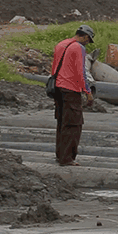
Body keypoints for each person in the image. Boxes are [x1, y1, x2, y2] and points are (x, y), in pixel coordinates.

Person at [51, 24, 95, 166]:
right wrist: (87, 92)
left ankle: (60, 155)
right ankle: (67, 158)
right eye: (89, 40)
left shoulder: (61, 44)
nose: (87, 43)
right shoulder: (79, 48)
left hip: (58, 87)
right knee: (73, 124)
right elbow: (80, 72)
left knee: (62, 122)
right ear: (86, 37)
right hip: (71, 89)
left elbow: (54, 67)